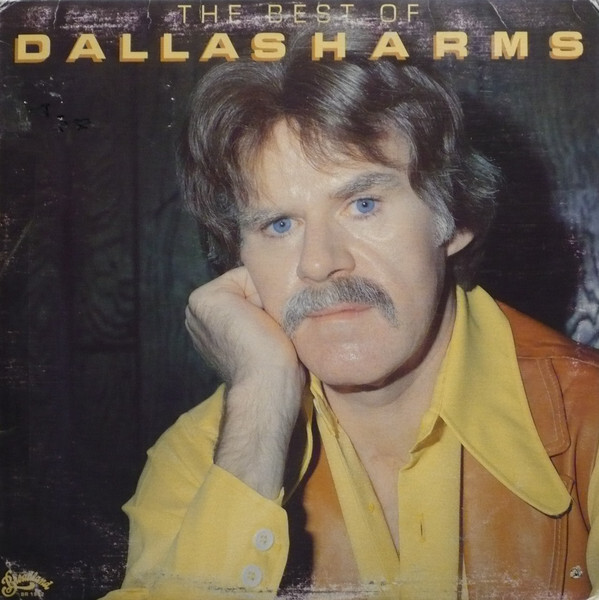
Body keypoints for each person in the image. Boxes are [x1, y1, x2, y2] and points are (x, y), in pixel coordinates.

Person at [102, 30, 599, 600]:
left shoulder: (588, 421)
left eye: (363, 205)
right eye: (279, 225)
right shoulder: (207, 454)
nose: (319, 263)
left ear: (455, 218)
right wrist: (261, 398)